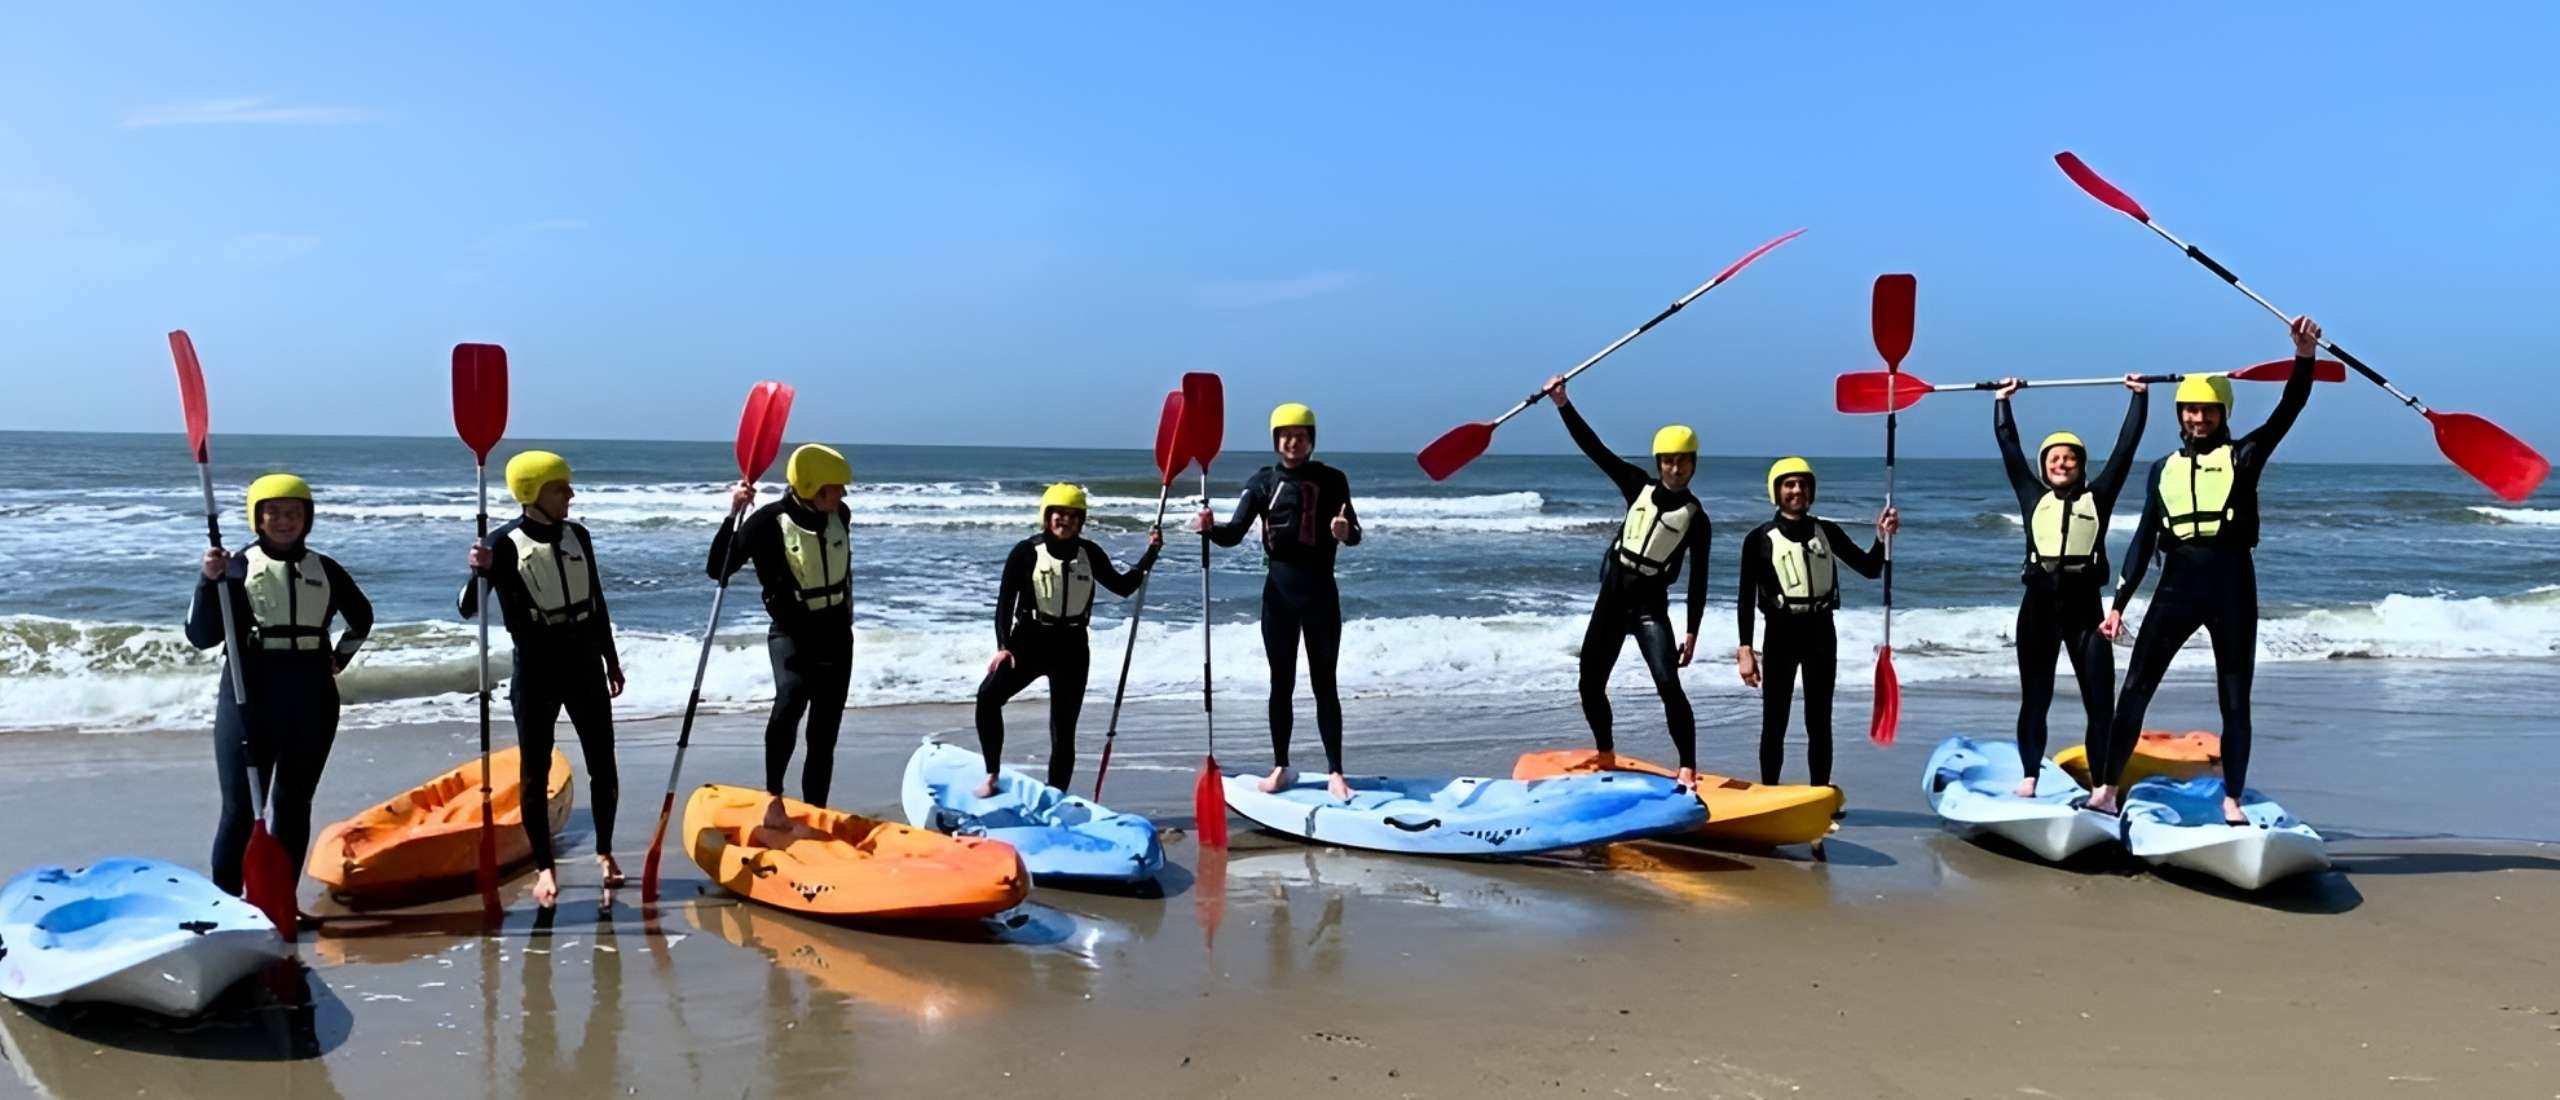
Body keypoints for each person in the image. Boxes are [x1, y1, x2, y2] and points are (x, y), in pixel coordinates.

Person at [2088, 317, 2323, 822]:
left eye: (2208, 410)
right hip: (2176, 584)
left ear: (2223, 412)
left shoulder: (2245, 456)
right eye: (2191, 409)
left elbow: (2289, 408)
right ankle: (2107, 790)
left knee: (2235, 698)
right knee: (2135, 688)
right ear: (2181, 413)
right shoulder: (2161, 470)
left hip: (2232, 583)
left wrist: (2304, 357)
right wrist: (2118, 604)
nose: (2198, 418)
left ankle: (2232, 799)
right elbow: (2145, 537)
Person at [187, 473, 373, 899]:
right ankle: (227, 905)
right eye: (274, 513)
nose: (285, 521)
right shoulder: (233, 567)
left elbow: (362, 617)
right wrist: (206, 580)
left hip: (312, 698)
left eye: (295, 513)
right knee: (238, 811)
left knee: (292, 807)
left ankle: (281, 902)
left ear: (308, 518)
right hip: (249, 697)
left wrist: (339, 658)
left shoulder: (325, 568)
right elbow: (200, 635)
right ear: (258, 518)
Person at [460, 450, 625, 908]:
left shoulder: (579, 537)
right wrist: (480, 569)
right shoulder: (503, 544)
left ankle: (605, 853)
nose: (570, 494)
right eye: (560, 487)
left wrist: (611, 659)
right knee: (535, 774)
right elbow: (468, 607)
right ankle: (545, 869)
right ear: (532, 493)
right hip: (536, 669)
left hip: (585, 663)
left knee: (603, 764)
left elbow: (597, 601)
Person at [1542, 375, 1710, 789]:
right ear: (1659, 463)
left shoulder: (1697, 518)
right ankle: (1605, 752)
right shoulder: (1637, 485)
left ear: (1693, 464)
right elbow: (1594, 448)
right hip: (1612, 600)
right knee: (1589, 683)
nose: (1675, 467)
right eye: (1668, 460)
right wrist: (1563, 403)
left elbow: (1699, 578)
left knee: (1669, 683)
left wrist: (1692, 631)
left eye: (1683, 461)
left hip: (1651, 607)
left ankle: (1687, 766)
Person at [1191, 403, 1363, 801]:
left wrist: (1344, 532)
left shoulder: (1333, 480)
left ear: (1311, 441)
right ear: (1276, 440)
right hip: (1279, 597)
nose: (1292, 441)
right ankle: (1281, 766)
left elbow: (1354, 533)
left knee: (1325, 684)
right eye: (1285, 435)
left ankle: (1336, 772)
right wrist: (1208, 528)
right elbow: (1233, 534)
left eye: (1300, 436)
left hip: (1321, 593)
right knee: (1280, 683)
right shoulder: (1262, 483)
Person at [1992, 374, 2149, 796]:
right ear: (2044, 466)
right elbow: (2009, 448)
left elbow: (2125, 449)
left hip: (2086, 612)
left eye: (2070, 459)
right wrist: (2003, 401)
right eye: (2053, 459)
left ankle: (2101, 785)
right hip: (2039, 608)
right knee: (2035, 699)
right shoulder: (2030, 496)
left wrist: (2139, 399)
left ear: (2081, 466)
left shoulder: (2099, 497)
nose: (2061, 464)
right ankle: (2030, 776)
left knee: (2100, 704)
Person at [976, 484, 1163, 795]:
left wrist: (1151, 553)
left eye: (1074, 515)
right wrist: (1003, 647)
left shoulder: (1089, 553)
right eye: (1059, 514)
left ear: (1082, 520)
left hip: (1072, 647)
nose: (1066, 520)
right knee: (988, 698)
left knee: (1064, 730)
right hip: (1030, 641)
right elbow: (1004, 602)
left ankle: (1056, 794)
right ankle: (992, 775)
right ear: (1047, 517)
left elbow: (1123, 586)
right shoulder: (1025, 552)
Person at [1736, 458, 1898, 796]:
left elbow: (1869, 568)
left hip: (1821, 631)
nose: (1797, 490)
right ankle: (1769, 795)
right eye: (1789, 484)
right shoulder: (1759, 539)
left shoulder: (1828, 532)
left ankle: (1819, 794)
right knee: (1775, 721)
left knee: (1819, 721)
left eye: (1803, 484)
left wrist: (1882, 536)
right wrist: (1745, 650)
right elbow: (1744, 598)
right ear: (1776, 491)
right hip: (1780, 632)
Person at [708, 443, 854, 806]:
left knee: (824, 733)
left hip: (836, 635)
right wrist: (733, 513)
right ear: (812, 487)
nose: (843, 493)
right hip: (792, 634)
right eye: (836, 487)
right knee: (789, 705)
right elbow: (718, 569)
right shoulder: (767, 522)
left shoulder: (842, 515)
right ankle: (774, 794)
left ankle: (816, 809)